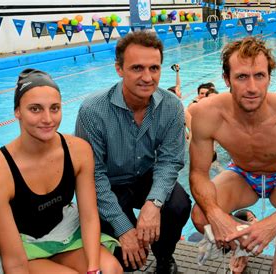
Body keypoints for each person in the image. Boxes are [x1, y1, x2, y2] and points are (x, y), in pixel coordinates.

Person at [189, 36, 276, 273]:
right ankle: (241, 246)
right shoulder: (206, 114)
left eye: (259, 76)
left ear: (269, 77)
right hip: (241, 174)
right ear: (226, 79)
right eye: (242, 77)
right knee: (201, 217)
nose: (252, 87)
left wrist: (274, 224)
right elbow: (198, 174)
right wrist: (217, 215)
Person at [0, 68, 122, 274]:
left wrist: (93, 270)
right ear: (17, 111)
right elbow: (13, 261)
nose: (48, 119)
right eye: (35, 109)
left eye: (54, 108)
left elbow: (89, 216)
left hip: (63, 231)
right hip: (20, 245)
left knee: (109, 269)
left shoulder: (78, 150)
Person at [75, 30, 191, 273]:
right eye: (137, 68)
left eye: (154, 68)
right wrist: (125, 229)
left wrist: (153, 203)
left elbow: (171, 161)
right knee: (125, 261)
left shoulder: (171, 106)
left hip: (145, 177)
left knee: (178, 205)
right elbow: (92, 176)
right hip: (109, 184)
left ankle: (163, 257)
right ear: (119, 69)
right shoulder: (93, 111)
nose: (147, 77)